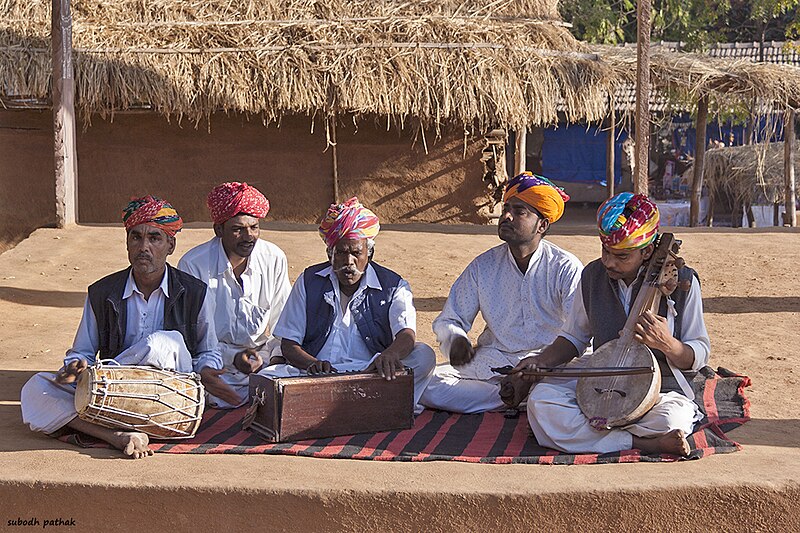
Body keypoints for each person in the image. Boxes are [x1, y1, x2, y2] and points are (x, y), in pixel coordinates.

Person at [20, 196, 219, 458]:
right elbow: (82, 352)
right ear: (127, 242)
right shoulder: (102, 292)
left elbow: (210, 354)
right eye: (135, 237)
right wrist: (75, 368)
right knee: (35, 388)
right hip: (113, 395)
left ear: (171, 245)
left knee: (163, 343)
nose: (143, 247)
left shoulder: (195, 292)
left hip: (169, 395)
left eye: (154, 239)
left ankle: (102, 408)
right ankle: (116, 435)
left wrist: (204, 375)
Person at [517, 192, 710, 456]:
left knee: (669, 420)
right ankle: (642, 443)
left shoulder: (683, 282)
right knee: (541, 403)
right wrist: (541, 362)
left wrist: (668, 344)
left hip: (661, 390)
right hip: (601, 380)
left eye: (621, 256)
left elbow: (698, 353)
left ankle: (592, 436)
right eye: (606, 251)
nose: (609, 262)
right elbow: (574, 337)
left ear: (648, 251)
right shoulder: (592, 276)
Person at [420, 172, 583, 413]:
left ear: (542, 225)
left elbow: (578, 333)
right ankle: (511, 394)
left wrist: (540, 365)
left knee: (580, 382)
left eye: (519, 212)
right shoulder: (483, 266)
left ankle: (523, 395)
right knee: (426, 383)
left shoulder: (565, 267)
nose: (506, 216)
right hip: (494, 363)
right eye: (506, 208)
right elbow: (451, 318)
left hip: (549, 366)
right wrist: (455, 340)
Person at [263, 197, 435, 413]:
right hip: (318, 375)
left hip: (371, 372)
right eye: (342, 253)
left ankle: (338, 407)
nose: (349, 262)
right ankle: (372, 406)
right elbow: (289, 343)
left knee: (424, 356)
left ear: (369, 254)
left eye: (356, 253)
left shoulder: (393, 285)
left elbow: (406, 335)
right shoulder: (309, 280)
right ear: (330, 255)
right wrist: (311, 364)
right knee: (266, 377)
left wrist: (389, 355)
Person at [179, 182, 291, 408]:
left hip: (263, 362)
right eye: (238, 229)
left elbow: (285, 321)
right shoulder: (193, 265)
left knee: (295, 377)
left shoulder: (274, 258)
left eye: (254, 227)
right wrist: (231, 359)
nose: (248, 236)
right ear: (218, 230)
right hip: (213, 362)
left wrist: (272, 359)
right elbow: (193, 334)